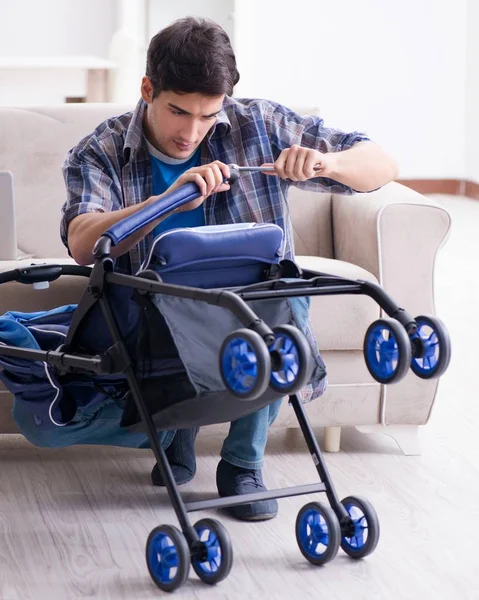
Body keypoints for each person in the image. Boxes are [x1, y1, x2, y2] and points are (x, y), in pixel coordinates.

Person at [58, 16, 398, 521]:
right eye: (178, 112)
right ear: (147, 88)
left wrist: (324, 165)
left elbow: (381, 164)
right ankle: (177, 433)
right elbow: (83, 243)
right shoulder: (101, 150)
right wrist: (167, 201)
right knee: (184, 307)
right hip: (157, 307)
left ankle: (242, 462)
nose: (191, 132)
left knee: (282, 294)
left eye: (207, 116)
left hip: (250, 302)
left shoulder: (257, 123)